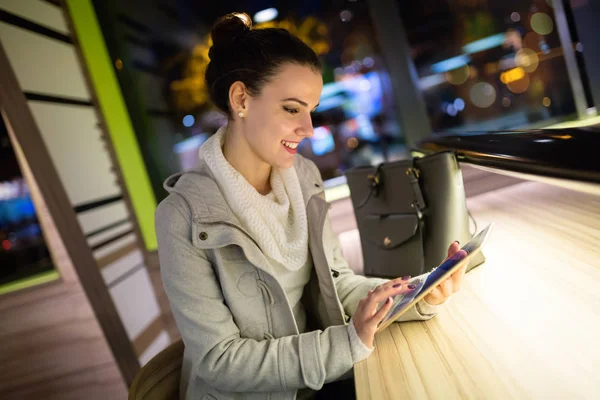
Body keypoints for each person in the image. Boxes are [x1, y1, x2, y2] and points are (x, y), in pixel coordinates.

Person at [155, 12, 467, 400]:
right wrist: (346, 343)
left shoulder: (302, 177)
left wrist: (412, 296)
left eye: (310, 109)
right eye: (291, 109)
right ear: (241, 100)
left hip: (315, 380)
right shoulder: (181, 217)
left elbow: (337, 284)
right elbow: (220, 361)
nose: (309, 128)